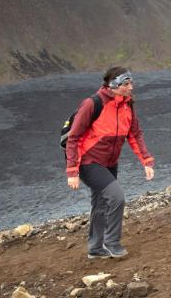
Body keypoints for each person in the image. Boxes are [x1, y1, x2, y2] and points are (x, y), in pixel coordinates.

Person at [66, 67, 155, 259]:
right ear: (114, 85)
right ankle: (112, 242)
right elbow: (73, 138)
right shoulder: (93, 104)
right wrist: (72, 172)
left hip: (110, 162)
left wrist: (146, 161)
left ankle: (95, 248)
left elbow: (135, 134)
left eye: (131, 83)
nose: (131, 87)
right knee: (117, 198)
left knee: (101, 204)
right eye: (126, 84)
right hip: (89, 162)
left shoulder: (127, 105)